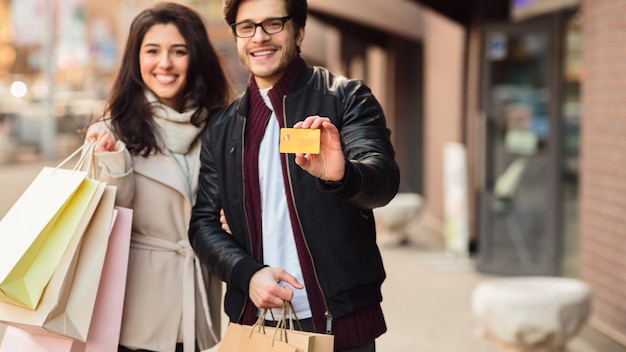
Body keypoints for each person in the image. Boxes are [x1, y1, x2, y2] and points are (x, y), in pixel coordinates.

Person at [188, 0, 400, 350]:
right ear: (237, 37)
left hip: (340, 325)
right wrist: (247, 273)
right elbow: (203, 224)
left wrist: (342, 176)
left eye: (274, 24)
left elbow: (383, 182)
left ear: (299, 30)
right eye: (247, 27)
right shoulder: (223, 127)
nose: (260, 37)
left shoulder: (345, 98)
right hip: (255, 325)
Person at [83, 3, 232, 352]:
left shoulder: (222, 127)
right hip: (134, 319)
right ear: (136, 60)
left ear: (195, 58)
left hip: (198, 308)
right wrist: (115, 163)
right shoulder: (110, 133)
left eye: (178, 51)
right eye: (152, 51)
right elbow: (102, 225)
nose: (164, 63)